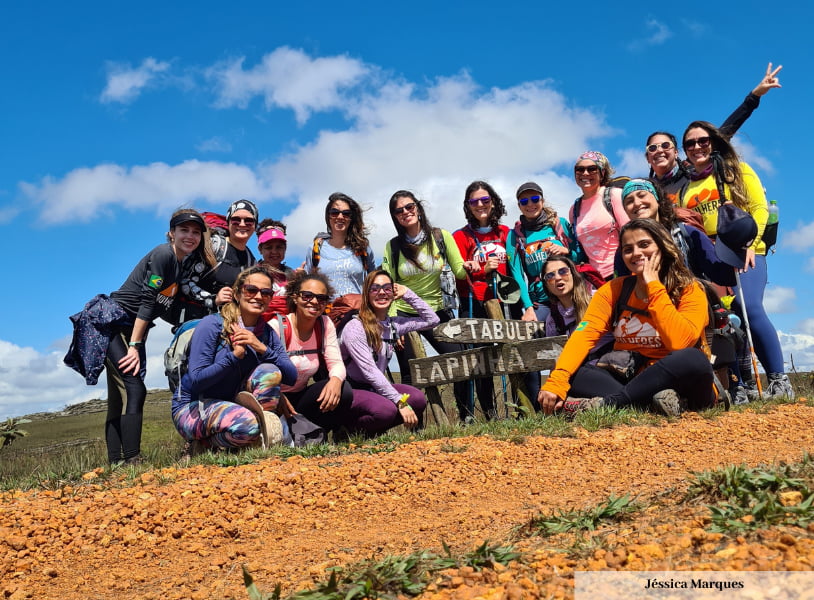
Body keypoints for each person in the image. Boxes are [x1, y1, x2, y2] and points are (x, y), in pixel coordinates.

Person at [64, 209, 211, 464]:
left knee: (119, 393)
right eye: (184, 230)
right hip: (109, 322)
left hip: (128, 327)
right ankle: (133, 459)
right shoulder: (163, 254)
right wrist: (134, 345)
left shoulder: (177, 266)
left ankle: (116, 463)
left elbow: (163, 308)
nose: (190, 236)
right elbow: (146, 302)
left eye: (196, 232)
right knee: (134, 387)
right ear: (171, 233)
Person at [539, 219, 717, 418]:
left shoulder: (690, 289)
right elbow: (584, 335)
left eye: (644, 244)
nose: (636, 253)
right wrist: (558, 380)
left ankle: (612, 404)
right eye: (628, 249)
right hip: (631, 378)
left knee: (693, 359)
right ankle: (652, 403)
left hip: (683, 378)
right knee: (575, 372)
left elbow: (680, 343)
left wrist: (654, 287)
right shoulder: (613, 290)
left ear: (662, 246)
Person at [678, 120, 793, 400]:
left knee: (748, 306)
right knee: (721, 318)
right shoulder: (686, 187)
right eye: (690, 144)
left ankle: (779, 381)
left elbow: (758, 207)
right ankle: (739, 386)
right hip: (709, 255)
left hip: (744, 247)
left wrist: (752, 244)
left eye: (702, 140)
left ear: (714, 142)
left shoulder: (737, 170)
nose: (696, 147)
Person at [171, 266, 297, 451]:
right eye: (251, 290)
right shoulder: (212, 325)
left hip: (234, 404)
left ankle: (260, 436)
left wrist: (261, 348)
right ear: (237, 294)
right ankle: (202, 445)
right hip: (192, 407)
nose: (258, 296)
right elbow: (197, 381)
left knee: (270, 372)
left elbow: (291, 376)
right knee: (247, 426)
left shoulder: (267, 333)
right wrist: (234, 357)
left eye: (266, 292)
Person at [381, 190, 473, 421]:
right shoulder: (392, 247)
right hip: (404, 315)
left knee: (459, 365)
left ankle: (465, 418)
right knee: (410, 375)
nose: (405, 213)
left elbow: (460, 270)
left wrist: (477, 266)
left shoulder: (440, 237)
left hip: (438, 311)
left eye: (409, 207)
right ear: (395, 217)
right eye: (399, 210)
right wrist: (391, 324)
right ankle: (415, 425)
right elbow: (388, 286)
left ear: (418, 208)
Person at [646, 63, 782, 203]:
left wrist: (754, 96)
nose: (659, 150)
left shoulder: (693, 170)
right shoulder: (646, 191)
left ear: (676, 152)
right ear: (647, 158)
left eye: (665, 145)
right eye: (652, 148)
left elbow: (725, 132)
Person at [505, 182, 580, 407]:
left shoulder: (560, 225)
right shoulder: (515, 235)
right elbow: (517, 274)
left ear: (542, 200)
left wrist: (567, 251)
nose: (531, 205)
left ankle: (572, 396)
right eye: (524, 201)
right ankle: (538, 406)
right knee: (533, 347)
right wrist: (528, 307)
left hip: (569, 293)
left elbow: (579, 255)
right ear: (519, 205)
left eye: (535, 199)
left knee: (576, 341)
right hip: (539, 299)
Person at [341, 271, 439, 436]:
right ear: (366, 294)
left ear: (393, 293)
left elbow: (432, 320)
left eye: (387, 288)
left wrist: (407, 293)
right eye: (375, 288)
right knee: (385, 411)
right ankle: (349, 431)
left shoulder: (393, 326)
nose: (381, 293)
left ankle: (373, 430)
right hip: (352, 389)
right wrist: (400, 402)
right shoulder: (355, 327)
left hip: (374, 388)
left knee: (417, 399)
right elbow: (370, 372)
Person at [452, 180, 511, 419]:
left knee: (510, 355)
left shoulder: (506, 233)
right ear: (468, 206)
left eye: (485, 200)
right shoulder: (460, 236)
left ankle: (518, 409)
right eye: (474, 201)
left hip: (505, 300)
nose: (480, 205)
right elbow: (458, 273)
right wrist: (480, 270)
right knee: (478, 360)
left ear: (494, 202)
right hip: (473, 303)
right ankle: (487, 413)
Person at [269, 271, 354, 433]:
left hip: (300, 397)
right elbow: (262, 373)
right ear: (295, 297)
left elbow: (336, 363)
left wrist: (335, 381)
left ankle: (316, 432)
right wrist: (276, 395)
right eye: (307, 295)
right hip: (274, 398)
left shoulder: (324, 323)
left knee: (344, 390)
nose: (314, 301)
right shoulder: (277, 327)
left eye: (321, 298)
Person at [617, 178, 735, 287]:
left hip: (690, 304)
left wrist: (732, 233)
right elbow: (622, 288)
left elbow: (723, 275)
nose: (637, 203)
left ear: (657, 199)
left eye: (642, 195)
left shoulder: (686, 234)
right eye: (629, 201)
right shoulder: (626, 249)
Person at [176, 199, 259, 320]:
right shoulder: (214, 245)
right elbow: (184, 280)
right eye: (236, 219)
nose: (242, 224)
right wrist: (213, 299)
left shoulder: (251, 261)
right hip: (193, 321)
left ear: (255, 225)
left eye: (249, 220)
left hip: (227, 326)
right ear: (228, 222)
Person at [570, 151, 630, 280]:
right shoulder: (574, 209)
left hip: (622, 271)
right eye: (580, 169)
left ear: (602, 173)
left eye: (592, 169)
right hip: (594, 279)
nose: (585, 173)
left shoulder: (614, 195)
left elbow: (630, 233)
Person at [305, 193, 375, 298]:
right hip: (324, 312)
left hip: (357, 312)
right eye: (334, 212)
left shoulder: (363, 248)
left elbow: (374, 282)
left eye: (346, 213)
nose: (340, 217)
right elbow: (307, 285)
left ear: (352, 218)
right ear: (328, 216)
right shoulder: (315, 249)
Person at [541, 256, 594, 338]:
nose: (558, 278)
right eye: (550, 276)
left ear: (573, 274)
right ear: (546, 285)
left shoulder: (596, 299)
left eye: (563, 271)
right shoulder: (553, 320)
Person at [256, 219, 294, 320]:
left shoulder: (293, 276)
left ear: (285, 248)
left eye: (279, 247)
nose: (274, 251)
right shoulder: (252, 274)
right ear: (260, 249)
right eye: (269, 248)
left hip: (288, 328)